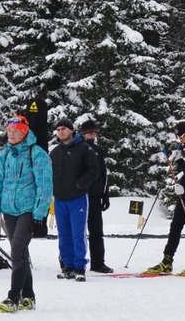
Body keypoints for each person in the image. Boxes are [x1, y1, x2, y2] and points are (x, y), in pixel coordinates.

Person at [0, 115, 53, 313]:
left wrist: (39, 215)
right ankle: (29, 297)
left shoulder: (38, 154)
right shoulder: (5, 155)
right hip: (8, 210)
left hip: (28, 210)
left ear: (24, 133)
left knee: (16, 251)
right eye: (9, 131)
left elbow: (44, 186)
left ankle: (13, 297)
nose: (11, 134)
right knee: (21, 253)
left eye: (15, 131)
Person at [145, 121, 185, 276]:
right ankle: (167, 261)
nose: (180, 140)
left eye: (181, 137)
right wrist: (179, 160)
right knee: (175, 225)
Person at [49, 117, 100, 280]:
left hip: (77, 198)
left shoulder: (84, 148)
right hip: (59, 198)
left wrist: (80, 184)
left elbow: (94, 170)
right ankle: (67, 266)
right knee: (63, 234)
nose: (61, 132)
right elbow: (49, 173)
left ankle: (79, 267)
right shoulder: (55, 152)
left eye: (64, 129)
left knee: (78, 234)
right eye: (58, 130)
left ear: (71, 130)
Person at [79, 119, 112, 273]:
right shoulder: (78, 149)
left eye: (94, 133)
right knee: (77, 231)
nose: (92, 136)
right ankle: (70, 261)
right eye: (89, 133)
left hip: (95, 195)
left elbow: (103, 174)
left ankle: (98, 262)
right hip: (79, 195)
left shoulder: (98, 150)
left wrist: (105, 194)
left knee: (96, 231)